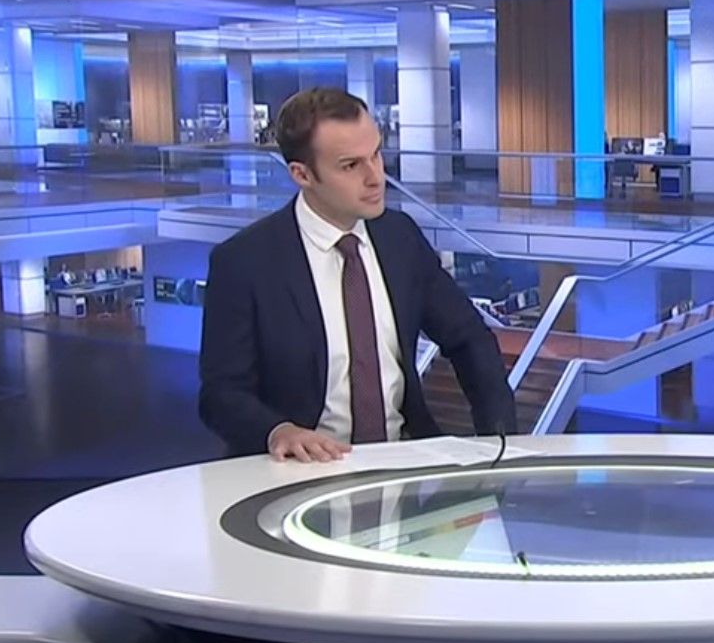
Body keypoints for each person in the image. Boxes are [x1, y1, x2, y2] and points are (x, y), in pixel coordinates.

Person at [199, 87, 515, 461]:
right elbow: (221, 394)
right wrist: (277, 431)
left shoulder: (400, 237)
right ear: (302, 174)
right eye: (351, 165)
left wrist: (498, 437)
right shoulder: (244, 262)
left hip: (404, 456)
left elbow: (468, 336)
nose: (376, 177)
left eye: (376, 154)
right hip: (304, 469)